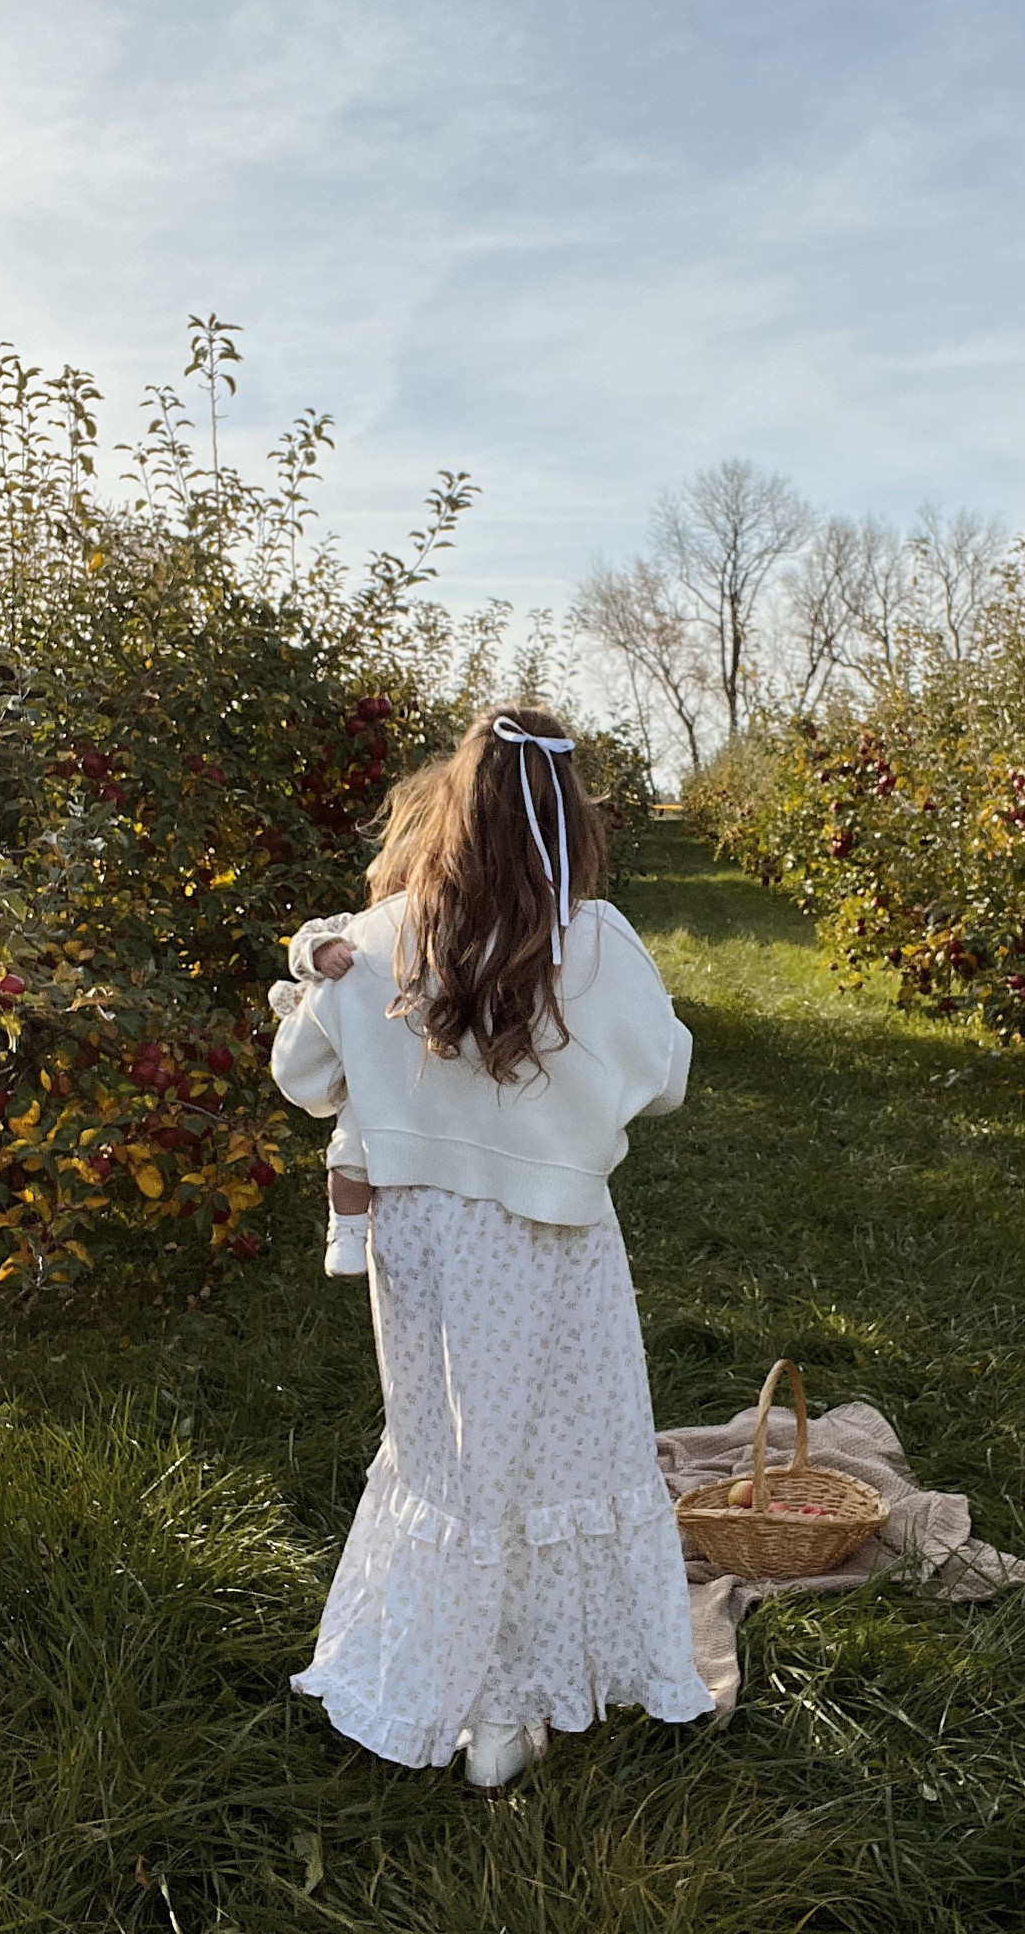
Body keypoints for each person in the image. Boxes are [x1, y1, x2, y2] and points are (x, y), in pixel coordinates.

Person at [267, 706, 713, 1791]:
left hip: (424, 1239)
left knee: (448, 1452)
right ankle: (516, 1701)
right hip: (553, 1233)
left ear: (452, 808)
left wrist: (314, 976)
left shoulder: (373, 939)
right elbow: (666, 1078)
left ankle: (467, 1693)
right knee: (560, 1448)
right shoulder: (594, 939)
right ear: (574, 820)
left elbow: (302, 1075)